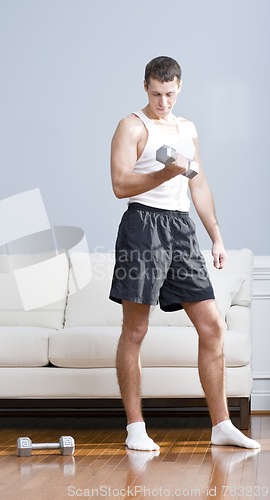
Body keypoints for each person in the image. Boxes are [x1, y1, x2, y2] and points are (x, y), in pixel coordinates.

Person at [109, 56, 260, 451]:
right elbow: (120, 185)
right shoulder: (131, 126)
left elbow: (199, 185)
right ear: (145, 87)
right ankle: (136, 428)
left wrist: (216, 237)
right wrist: (166, 172)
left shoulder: (187, 128)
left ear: (180, 88)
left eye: (170, 94)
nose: (163, 102)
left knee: (212, 326)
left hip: (180, 229)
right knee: (136, 329)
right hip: (142, 225)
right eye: (156, 94)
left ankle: (222, 424)